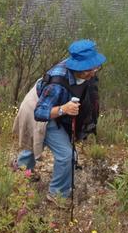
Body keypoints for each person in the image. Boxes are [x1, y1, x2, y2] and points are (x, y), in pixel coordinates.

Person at [16, 39, 105, 200]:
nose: (94, 71)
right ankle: (57, 195)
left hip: (54, 105)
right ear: (79, 67)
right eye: (90, 68)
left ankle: (23, 171)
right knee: (65, 154)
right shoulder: (57, 84)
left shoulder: (86, 73)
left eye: (95, 67)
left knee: (36, 142)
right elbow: (40, 113)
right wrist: (64, 109)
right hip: (37, 108)